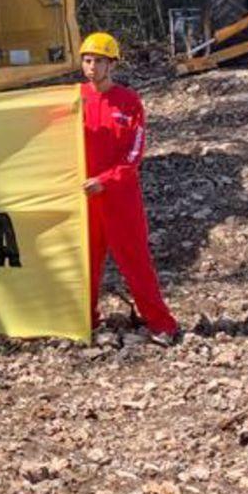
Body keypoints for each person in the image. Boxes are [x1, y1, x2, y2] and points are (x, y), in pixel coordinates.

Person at [78, 32, 179, 344]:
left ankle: (162, 325)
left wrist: (105, 181)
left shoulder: (129, 102)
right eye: (87, 60)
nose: (92, 67)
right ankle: (86, 321)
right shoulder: (74, 98)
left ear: (112, 64)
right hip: (83, 198)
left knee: (135, 261)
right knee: (84, 264)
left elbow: (134, 153)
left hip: (120, 198)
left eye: (99, 61)